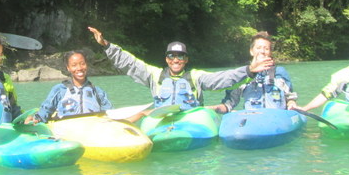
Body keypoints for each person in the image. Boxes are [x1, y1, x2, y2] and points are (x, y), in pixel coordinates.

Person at [88, 26, 270, 110]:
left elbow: (221, 79)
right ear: (166, 59)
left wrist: (248, 71)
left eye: (180, 56)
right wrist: (106, 45)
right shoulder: (155, 75)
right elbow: (129, 63)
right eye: (172, 56)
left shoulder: (196, 77)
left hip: (192, 121)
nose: (176, 60)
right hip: (163, 120)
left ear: (186, 59)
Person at [209, 32, 298, 114]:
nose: (262, 51)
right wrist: (212, 109)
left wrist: (291, 104)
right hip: (252, 119)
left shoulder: (280, 72)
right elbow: (229, 104)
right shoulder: (242, 75)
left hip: (277, 119)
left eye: (266, 49)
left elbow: (289, 97)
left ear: (270, 52)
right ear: (251, 51)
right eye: (258, 48)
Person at [27, 50, 112, 123]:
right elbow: (45, 110)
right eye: (74, 65)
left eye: (82, 64)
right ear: (68, 68)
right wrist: (36, 118)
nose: (79, 68)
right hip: (67, 132)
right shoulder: (60, 90)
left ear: (87, 65)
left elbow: (110, 113)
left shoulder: (98, 92)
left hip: (92, 130)